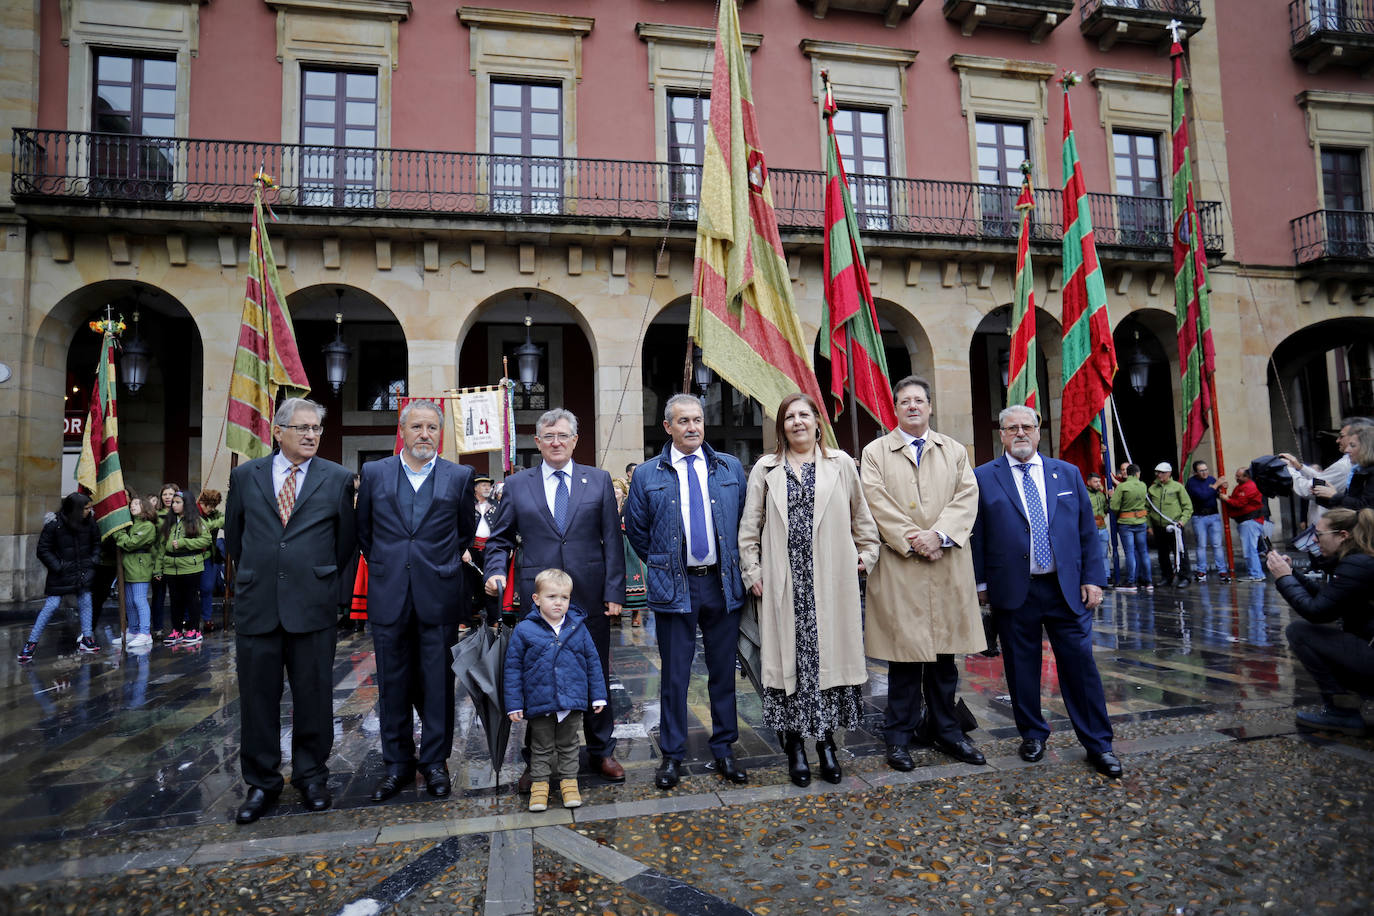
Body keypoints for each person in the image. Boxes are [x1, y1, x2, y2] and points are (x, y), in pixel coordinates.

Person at [224, 397, 356, 824]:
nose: (311, 435)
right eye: (302, 428)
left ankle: (311, 776)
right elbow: (236, 536)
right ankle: (262, 783)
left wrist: (320, 581)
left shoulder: (336, 478)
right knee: (258, 699)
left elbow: (345, 543)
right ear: (277, 432)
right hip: (257, 604)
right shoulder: (246, 477)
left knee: (314, 695)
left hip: (312, 605)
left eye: (316, 428)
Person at [971, 405, 1122, 778]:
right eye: (1011, 428)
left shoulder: (1066, 472)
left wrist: (1093, 579)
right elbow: (977, 535)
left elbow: (1087, 532)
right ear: (1002, 434)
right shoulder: (982, 477)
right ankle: (1033, 735)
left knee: (1081, 667)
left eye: (1027, 427)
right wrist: (981, 584)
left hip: (1066, 589)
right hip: (1013, 589)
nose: (1020, 433)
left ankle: (1098, 744)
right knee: (1021, 668)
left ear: (1038, 432)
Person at [739, 393, 879, 786]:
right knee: (793, 669)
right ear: (781, 426)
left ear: (818, 422)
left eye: (804, 415)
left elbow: (862, 520)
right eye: (789, 417)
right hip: (785, 585)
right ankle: (796, 747)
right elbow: (750, 529)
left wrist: (867, 557)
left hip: (831, 583)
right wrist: (752, 572)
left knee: (829, 668)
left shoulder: (842, 466)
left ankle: (828, 746)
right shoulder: (766, 469)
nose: (797, 422)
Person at [484, 407, 626, 786]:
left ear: (575, 440)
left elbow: (613, 540)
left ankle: (601, 751)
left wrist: (614, 591)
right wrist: (495, 570)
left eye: (563, 435)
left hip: (590, 594)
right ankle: (538, 762)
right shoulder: (517, 485)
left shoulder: (597, 481)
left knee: (595, 673)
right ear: (538, 442)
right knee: (539, 676)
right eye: (549, 436)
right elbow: (499, 540)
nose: (557, 442)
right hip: (540, 600)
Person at [860, 376, 987, 771]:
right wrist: (914, 538)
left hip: (946, 564)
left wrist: (940, 535)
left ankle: (947, 730)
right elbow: (873, 500)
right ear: (895, 409)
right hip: (902, 567)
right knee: (903, 661)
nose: (912, 406)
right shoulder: (876, 452)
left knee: (944, 660)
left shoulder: (953, 450)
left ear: (930, 407)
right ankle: (898, 736)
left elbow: (967, 496)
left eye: (919, 400)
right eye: (905, 401)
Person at [625, 393, 750, 789]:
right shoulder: (647, 474)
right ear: (668, 427)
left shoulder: (729, 468)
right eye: (683, 421)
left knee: (722, 674)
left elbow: (747, 522)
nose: (692, 427)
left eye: (697, 419)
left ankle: (724, 749)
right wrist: (667, 564)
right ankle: (673, 755)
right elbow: (639, 532)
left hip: (722, 584)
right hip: (675, 586)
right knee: (675, 676)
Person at [356, 399, 476, 803]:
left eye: (431, 428)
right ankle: (397, 764)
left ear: (439, 433)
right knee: (391, 682)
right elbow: (364, 531)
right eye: (417, 427)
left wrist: (433, 564)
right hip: (390, 594)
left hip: (438, 595)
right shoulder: (375, 473)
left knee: (439, 683)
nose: (424, 434)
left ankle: (435, 763)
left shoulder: (459, 476)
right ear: (402, 430)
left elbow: (464, 531)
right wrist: (393, 563)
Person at [504, 568, 608, 812]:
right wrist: (514, 703)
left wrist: (598, 694)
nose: (559, 603)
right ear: (537, 599)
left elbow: (593, 662)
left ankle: (569, 784)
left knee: (569, 744)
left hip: (571, 700)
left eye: (564, 597)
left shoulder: (578, 628)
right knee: (540, 746)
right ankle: (539, 786)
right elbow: (512, 669)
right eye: (552, 597)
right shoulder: (524, 630)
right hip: (540, 700)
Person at [1267, 507, 1374, 736]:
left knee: (1300, 632)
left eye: (1320, 534)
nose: (1314, 540)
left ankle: (1341, 712)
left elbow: (1317, 612)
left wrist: (1283, 578)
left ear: (1343, 535)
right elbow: (1329, 599)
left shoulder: (1356, 565)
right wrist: (1293, 574)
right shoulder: (1361, 560)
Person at [19, 492, 101, 661]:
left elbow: (96, 544)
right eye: (86, 508)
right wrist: (58, 566)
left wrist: (92, 561)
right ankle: (31, 643)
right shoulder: (54, 524)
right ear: (76, 509)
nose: (90, 511)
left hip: (83, 570)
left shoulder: (90, 523)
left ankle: (87, 638)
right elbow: (43, 549)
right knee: (51, 605)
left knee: (86, 601)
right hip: (62, 573)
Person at [1280, 417, 1371, 526]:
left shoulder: (1347, 466)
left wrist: (1289, 470)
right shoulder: (1356, 468)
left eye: (1352, 445)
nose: (1338, 441)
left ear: (1366, 446)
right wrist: (1300, 468)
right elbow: (1322, 479)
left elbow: (1364, 507)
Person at [158, 490, 211, 646]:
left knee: (191, 598)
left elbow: (206, 540)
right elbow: (162, 546)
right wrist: (159, 567)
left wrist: (184, 543)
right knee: (175, 600)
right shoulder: (170, 521)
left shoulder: (196, 521)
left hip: (190, 567)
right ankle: (176, 630)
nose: (174, 505)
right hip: (170, 567)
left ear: (186, 504)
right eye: (173, 502)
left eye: (178, 502)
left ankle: (194, 629)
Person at [111, 494, 158, 649]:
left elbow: (131, 543)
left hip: (139, 567)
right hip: (128, 567)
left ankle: (145, 633)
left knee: (139, 600)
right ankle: (133, 630)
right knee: (129, 602)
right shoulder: (131, 525)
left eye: (137, 504)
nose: (132, 506)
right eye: (132, 504)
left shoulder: (147, 526)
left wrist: (119, 534)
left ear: (145, 507)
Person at [462, 475, 500, 627]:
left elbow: (505, 526)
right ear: (475, 488)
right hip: (470, 550)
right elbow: (460, 528)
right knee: (466, 586)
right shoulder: (466, 505)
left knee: (492, 583)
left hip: (491, 549)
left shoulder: (497, 505)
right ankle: (464, 620)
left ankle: (494, 618)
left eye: (488, 485)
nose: (486, 487)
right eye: (483, 485)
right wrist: (463, 549)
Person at [1147, 461, 1193, 588]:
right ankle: (1166, 576)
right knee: (1162, 553)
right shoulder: (1152, 489)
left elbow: (1187, 506)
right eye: (1158, 472)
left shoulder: (1177, 487)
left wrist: (1182, 520)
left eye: (1162, 473)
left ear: (1169, 473)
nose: (1159, 475)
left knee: (1180, 552)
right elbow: (1148, 508)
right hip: (1158, 526)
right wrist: (1149, 525)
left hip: (1174, 526)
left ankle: (1185, 576)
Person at [1220, 466, 1268, 581]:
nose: (1236, 477)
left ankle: (1256, 574)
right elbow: (1236, 500)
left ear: (1246, 476)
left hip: (1250, 521)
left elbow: (1239, 503)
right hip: (1247, 521)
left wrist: (1227, 499)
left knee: (1251, 549)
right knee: (1250, 549)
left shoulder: (1249, 487)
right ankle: (1254, 573)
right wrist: (1227, 497)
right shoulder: (1241, 487)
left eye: (1238, 476)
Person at [1109, 464, 1152, 591]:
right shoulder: (1143, 485)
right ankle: (1148, 582)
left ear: (1127, 473)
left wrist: (1112, 498)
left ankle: (1131, 582)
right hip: (1141, 521)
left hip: (1126, 522)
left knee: (1130, 553)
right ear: (1137, 473)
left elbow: (1114, 507)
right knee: (1143, 552)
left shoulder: (1122, 487)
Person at [1185, 460, 1229, 581]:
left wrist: (1222, 487)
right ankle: (1201, 571)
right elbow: (1202, 496)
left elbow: (1217, 494)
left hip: (1214, 515)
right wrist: (1215, 486)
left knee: (1217, 545)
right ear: (1196, 472)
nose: (1205, 472)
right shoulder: (1191, 483)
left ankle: (1222, 571)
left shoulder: (1211, 479)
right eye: (1201, 470)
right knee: (1201, 545)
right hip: (1199, 517)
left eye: (1206, 470)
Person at [612, 477, 647, 628]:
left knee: (635, 577)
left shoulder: (629, 506)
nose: (615, 491)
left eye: (618, 488)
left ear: (624, 492)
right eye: (612, 488)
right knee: (615, 579)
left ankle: (636, 612)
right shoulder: (607, 506)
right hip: (614, 546)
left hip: (630, 546)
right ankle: (616, 613)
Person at [1316, 425, 1374, 513]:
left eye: (1352, 445)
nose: (1347, 450)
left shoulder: (1366, 472)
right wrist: (1327, 494)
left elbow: (1366, 508)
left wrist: (1334, 495)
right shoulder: (1359, 470)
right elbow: (1352, 504)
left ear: (1366, 448)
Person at [150, 482, 180, 639]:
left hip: (178, 562)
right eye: (165, 494)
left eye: (171, 494)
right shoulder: (155, 515)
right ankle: (158, 628)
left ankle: (180, 626)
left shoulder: (183, 515)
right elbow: (154, 542)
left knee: (178, 596)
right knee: (158, 596)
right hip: (159, 561)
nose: (168, 497)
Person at [197, 490, 225, 632]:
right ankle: (188, 619)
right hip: (192, 557)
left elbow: (225, 520)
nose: (212, 509)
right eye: (209, 506)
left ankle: (207, 618)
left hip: (208, 556)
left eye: (214, 506)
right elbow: (204, 527)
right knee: (190, 590)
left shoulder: (214, 514)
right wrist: (216, 523)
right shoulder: (193, 512)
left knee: (207, 588)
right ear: (202, 503)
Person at [1085, 472, 1111, 587]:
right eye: (1095, 481)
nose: (1098, 484)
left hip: (1102, 527)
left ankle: (1106, 576)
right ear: (1088, 482)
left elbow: (1106, 509)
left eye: (1099, 481)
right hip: (1090, 527)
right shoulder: (1084, 494)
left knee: (1104, 554)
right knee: (1090, 553)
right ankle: (1092, 577)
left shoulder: (1101, 495)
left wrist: (1109, 497)